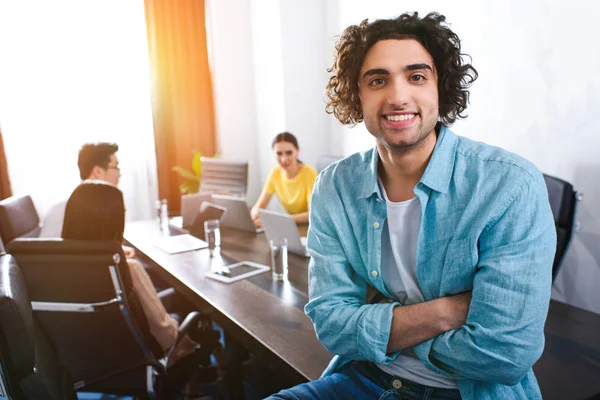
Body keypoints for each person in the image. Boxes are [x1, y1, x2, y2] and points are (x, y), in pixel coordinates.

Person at [268, 11, 556, 400]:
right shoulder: (334, 187)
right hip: (365, 380)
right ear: (357, 95)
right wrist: (445, 312)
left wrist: (376, 324)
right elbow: (333, 327)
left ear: (442, 87)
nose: (398, 96)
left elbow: (503, 355)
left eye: (417, 76)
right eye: (377, 80)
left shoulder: (509, 185)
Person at [61, 181, 179, 351]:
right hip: (141, 362)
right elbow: (167, 338)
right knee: (185, 303)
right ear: (113, 222)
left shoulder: (59, 266)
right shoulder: (129, 269)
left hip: (87, 359)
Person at [40, 142, 135, 258]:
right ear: (98, 171)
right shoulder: (65, 209)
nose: (119, 174)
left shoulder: (96, 204)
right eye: (116, 167)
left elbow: (85, 246)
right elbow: (45, 257)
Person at [251, 132, 318, 227]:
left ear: (297, 151)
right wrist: (255, 214)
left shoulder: (310, 173)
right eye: (279, 153)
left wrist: (278, 220)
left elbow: (312, 215)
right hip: (291, 226)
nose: (283, 159)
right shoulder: (275, 173)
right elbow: (258, 206)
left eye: (289, 153)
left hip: (310, 228)